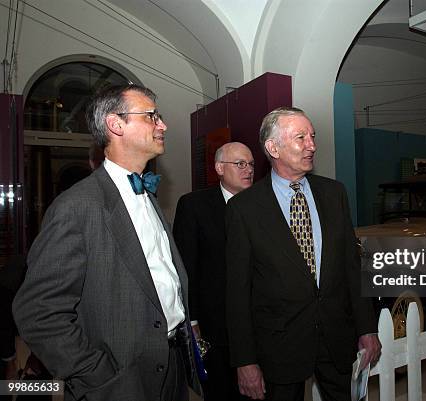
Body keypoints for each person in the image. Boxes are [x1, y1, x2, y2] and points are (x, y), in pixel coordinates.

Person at [12, 84, 202, 401]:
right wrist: (99, 376)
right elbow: (39, 313)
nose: (163, 125)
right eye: (152, 116)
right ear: (116, 125)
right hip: (119, 379)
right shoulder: (76, 207)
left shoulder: (146, 195)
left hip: (171, 366)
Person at [225, 107, 381, 401]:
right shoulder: (244, 209)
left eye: (312, 136)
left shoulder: (335, 194)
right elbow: (237, 292)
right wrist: (245, 361)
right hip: (279, 347)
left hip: (336, 339)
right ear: (273, 148)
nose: (312, 145)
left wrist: (366, 327)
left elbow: (351, 266)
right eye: (301, 138)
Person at [173, 141, 254, 401]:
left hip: (258, 324)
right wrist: (192, 320)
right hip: (214, 327)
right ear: (219, 168)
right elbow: (186, 266)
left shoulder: (263, 205)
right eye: (240, 164)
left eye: (251, 164)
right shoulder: (194, 205)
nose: (248, 170)